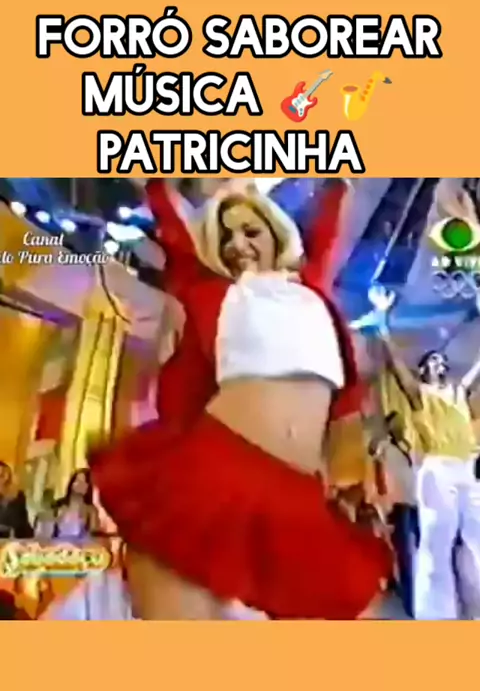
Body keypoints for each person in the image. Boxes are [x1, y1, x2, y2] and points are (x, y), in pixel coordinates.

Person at [87, 178, 392, 620]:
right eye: (226, 235)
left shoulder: (312, 292)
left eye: (251, 231)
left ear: (276, 234)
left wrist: (338, 186)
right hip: (217, 469)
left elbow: (328, 232)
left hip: (297, 492)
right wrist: (156, 184)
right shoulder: (213, 290)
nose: (237, 245)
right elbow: (174, 230)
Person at [373, 275, 480, 619]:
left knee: (477, 539)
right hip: (438, 469)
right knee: (438, 541)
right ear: (422, 371)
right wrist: (383, 323)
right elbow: (396, 366)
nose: (436, 364)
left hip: (467, 468)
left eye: (439, 360)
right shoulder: (420, 396)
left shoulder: (458, 393)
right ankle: (437, 616)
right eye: (429, 362)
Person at [369, 412, 418, 617]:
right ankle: (409, 602)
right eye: (396, 424)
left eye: (401, 423)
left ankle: (414, 595)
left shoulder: (407, 446)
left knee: (417, 553)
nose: (400, 427)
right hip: (399, 505)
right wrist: (384, 504)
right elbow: (374, 459)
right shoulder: (385, 448)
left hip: (415, 503)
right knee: (405, 555)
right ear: (389, 428)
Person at [34, 469, 100, 542]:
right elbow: (45, 528)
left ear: (89, 487)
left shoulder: (91, 510)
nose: (80, 484)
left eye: (84, 482)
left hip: (82, 547)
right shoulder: (58, 505)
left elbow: (94, 536)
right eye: (77, 481)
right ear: (71, 484)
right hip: (57, 545)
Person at [0, 461, 33, 539]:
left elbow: (17, 523)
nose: (4, 478)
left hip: (20, 538)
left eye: (2, 475)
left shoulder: (18, 495)